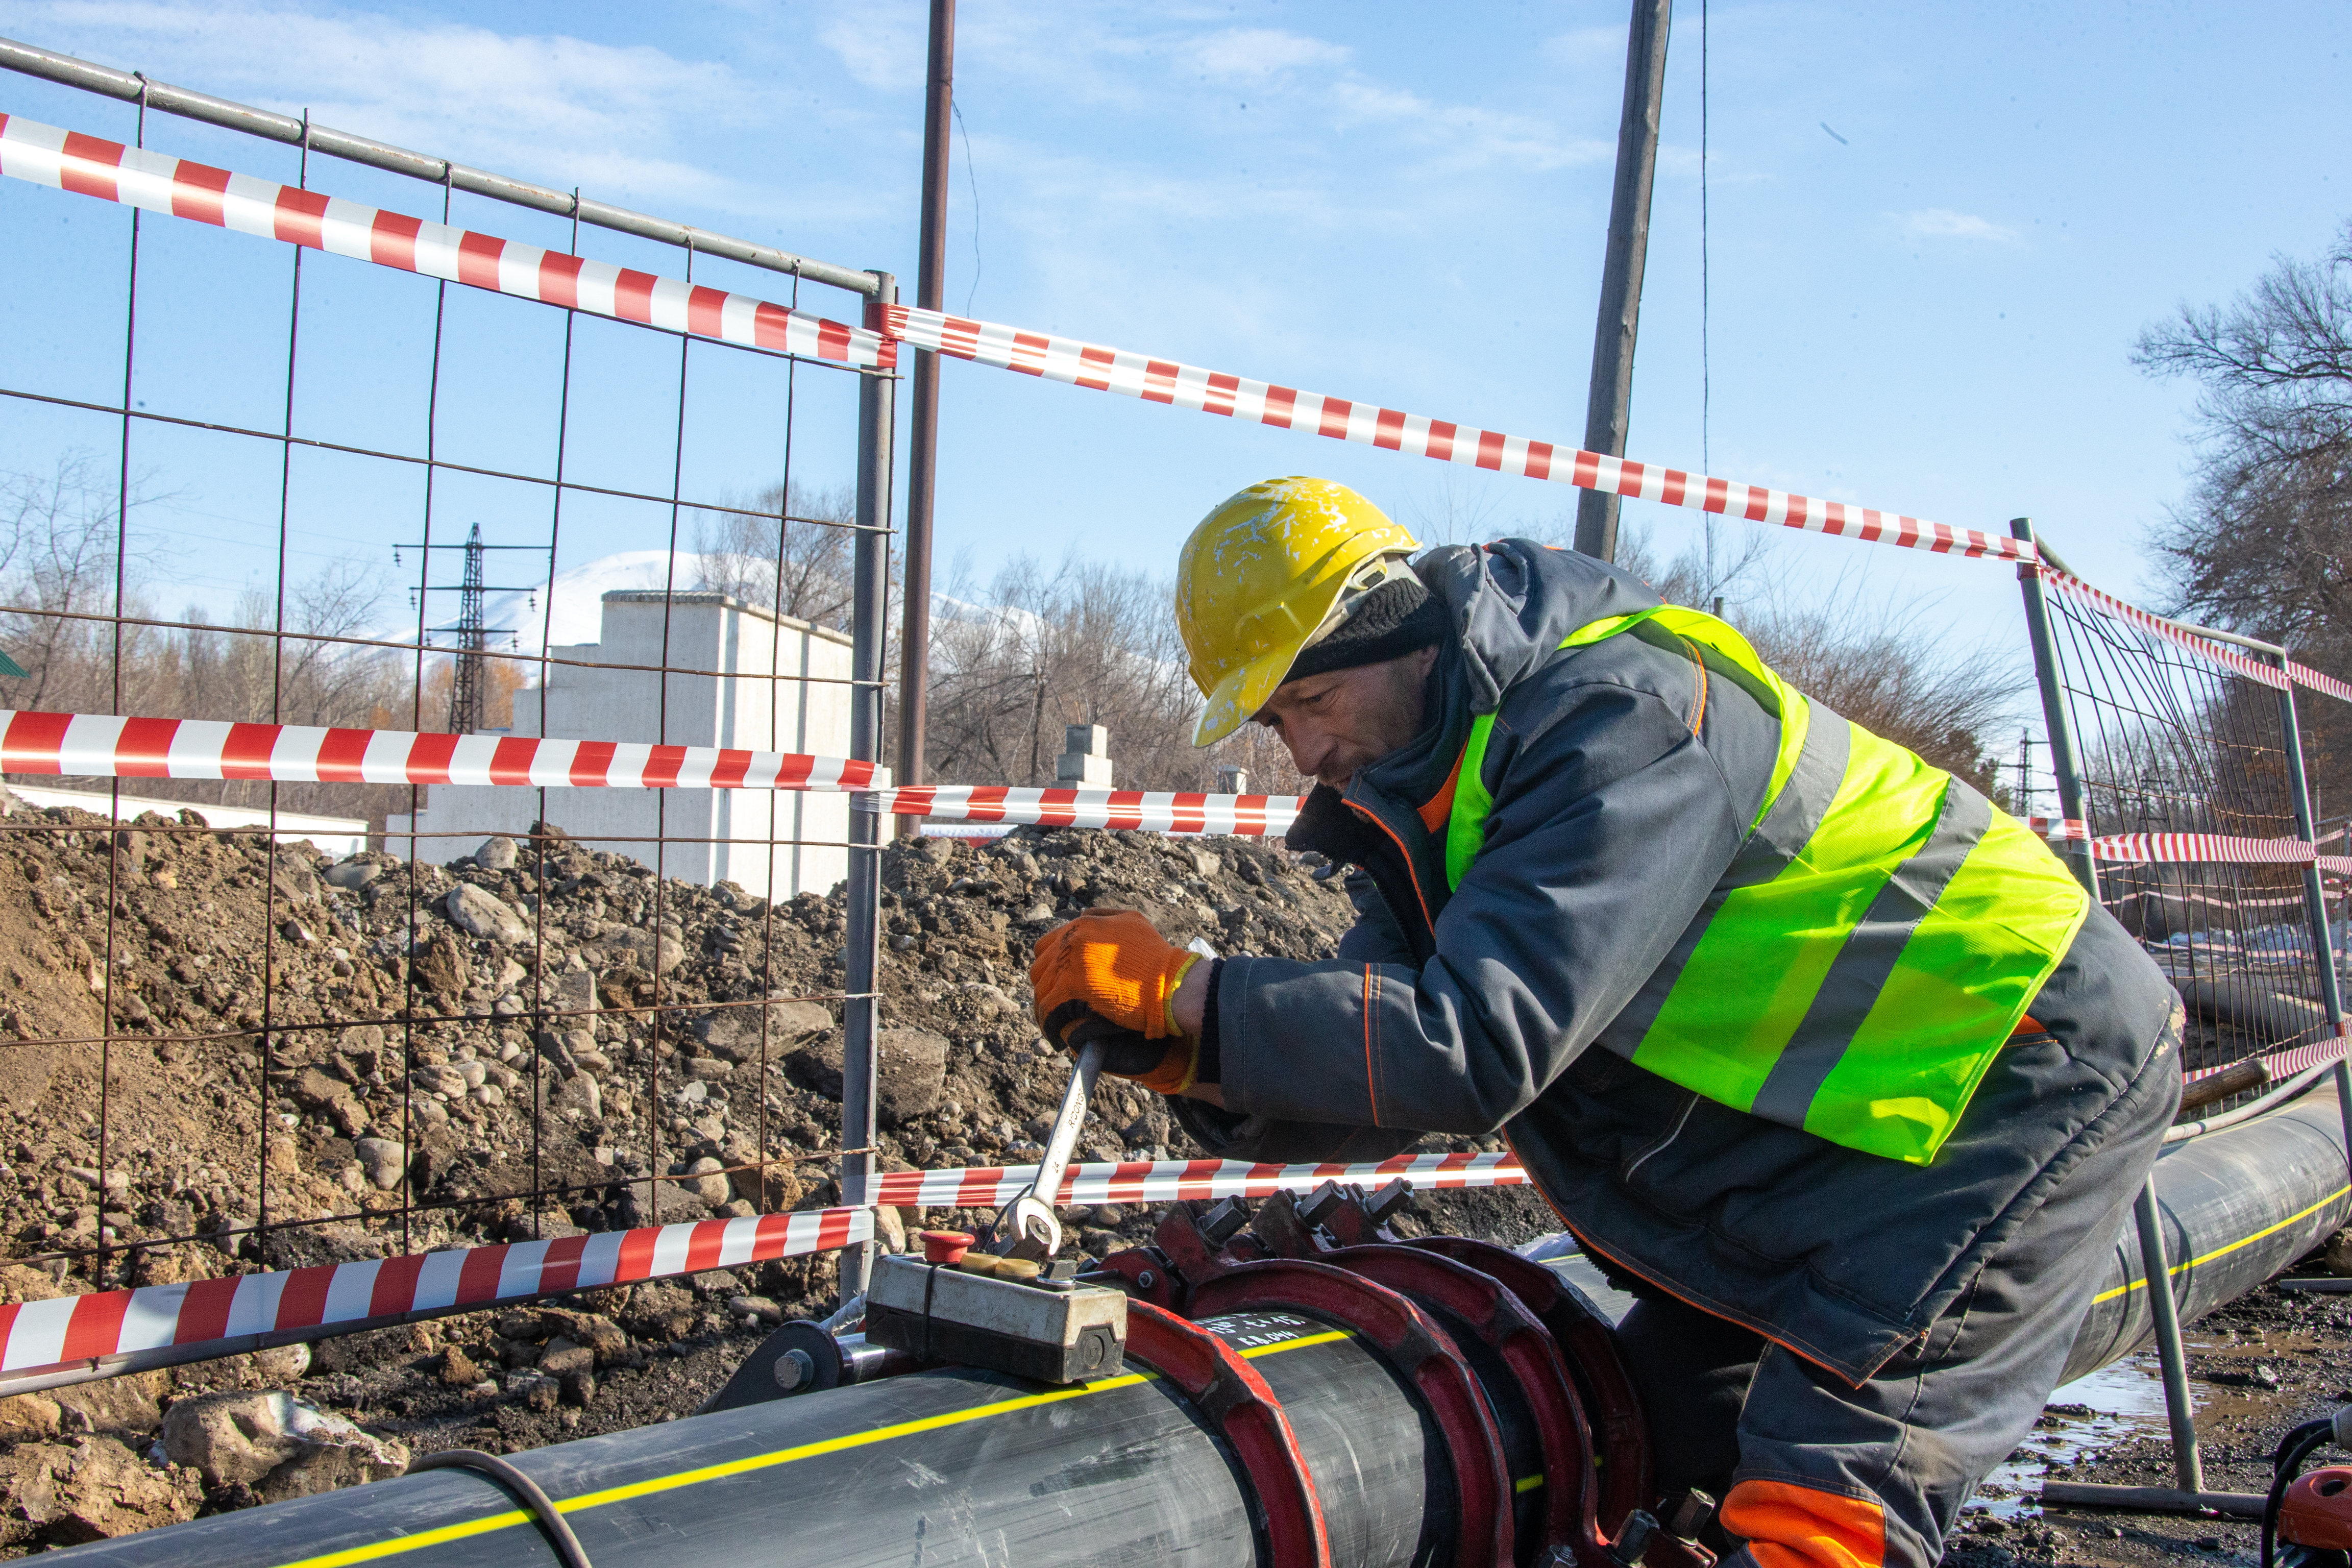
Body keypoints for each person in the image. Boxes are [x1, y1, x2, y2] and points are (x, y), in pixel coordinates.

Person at [1026, 476, 2182, 1568]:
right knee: (1660, 1438)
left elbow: (1477, 1045)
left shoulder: (1619, 719)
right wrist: (1187, 1054)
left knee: (1830, 1489)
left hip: (2015, 1061)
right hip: (1827, 1129)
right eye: (1279, 721)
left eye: (1315, 701)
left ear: (1400, 637)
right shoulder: (1431, 795)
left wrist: (1194, 992)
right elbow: (1387, 1063)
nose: (1308, 752)